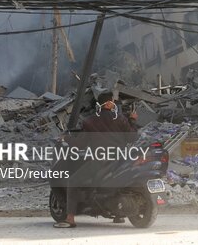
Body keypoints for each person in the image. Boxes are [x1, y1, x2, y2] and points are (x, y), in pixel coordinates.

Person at [53, 95, 138, 228]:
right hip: (120, 159)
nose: (114, 104)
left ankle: (70, 218)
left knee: (73, 181)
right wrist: (132, 120)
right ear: (109, 104)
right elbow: (132, 138)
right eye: (113, 102)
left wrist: (66, 139)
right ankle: (117, 215)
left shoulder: (90, 121)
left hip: (100, 160)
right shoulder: (120, 119)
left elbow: (80, 144)